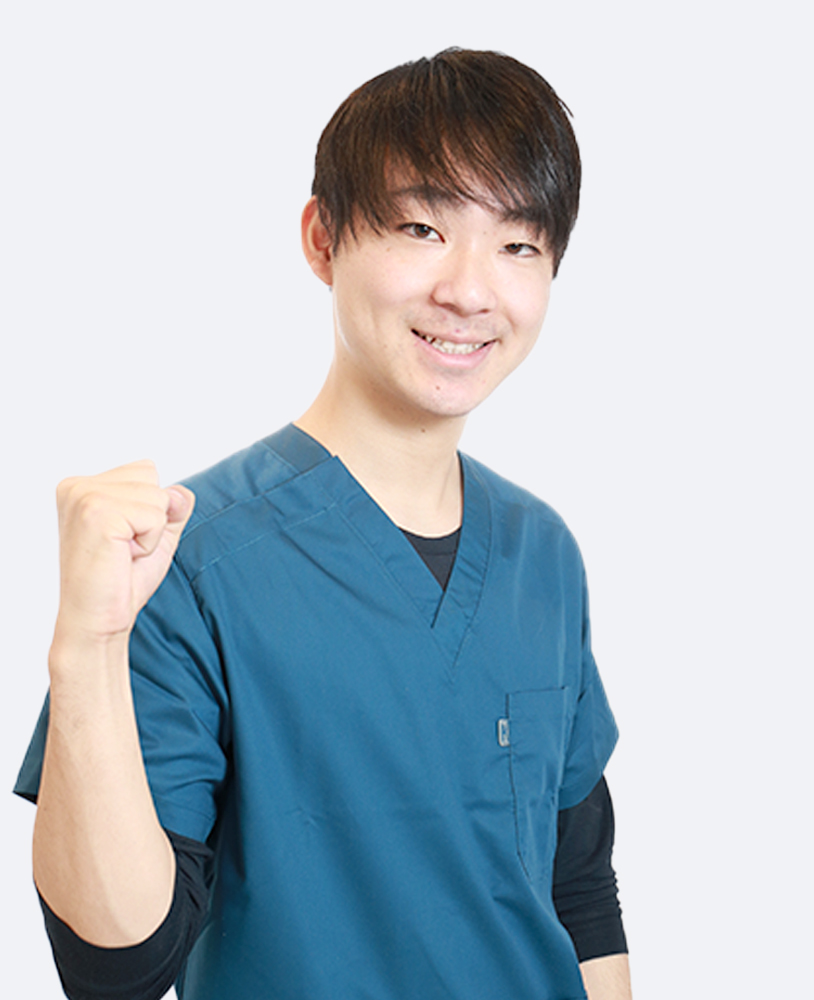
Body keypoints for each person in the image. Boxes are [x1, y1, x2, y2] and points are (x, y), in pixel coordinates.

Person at [16, 48, 632, 1000]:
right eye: (423, 227)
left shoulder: (541, 552)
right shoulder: (186, 562)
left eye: (517, 244)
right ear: (323, 239)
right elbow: (116, 965)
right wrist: (85, 647)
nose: (470, 290)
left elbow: (580, 890)